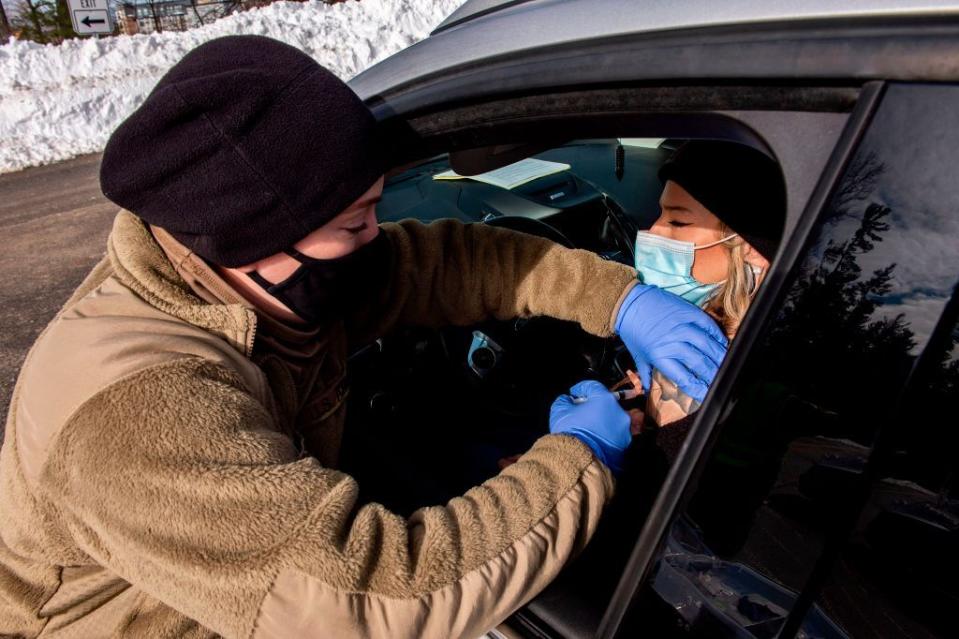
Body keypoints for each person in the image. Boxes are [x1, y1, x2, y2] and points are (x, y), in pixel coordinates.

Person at [0, 37, 727, 638]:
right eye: (353, 221)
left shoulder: (251, 280)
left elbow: (449, 264)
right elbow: (380, 596)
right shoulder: (138, 412)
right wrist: (576, 458)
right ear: (251, 238)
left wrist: (622, 298)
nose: (374, 236)